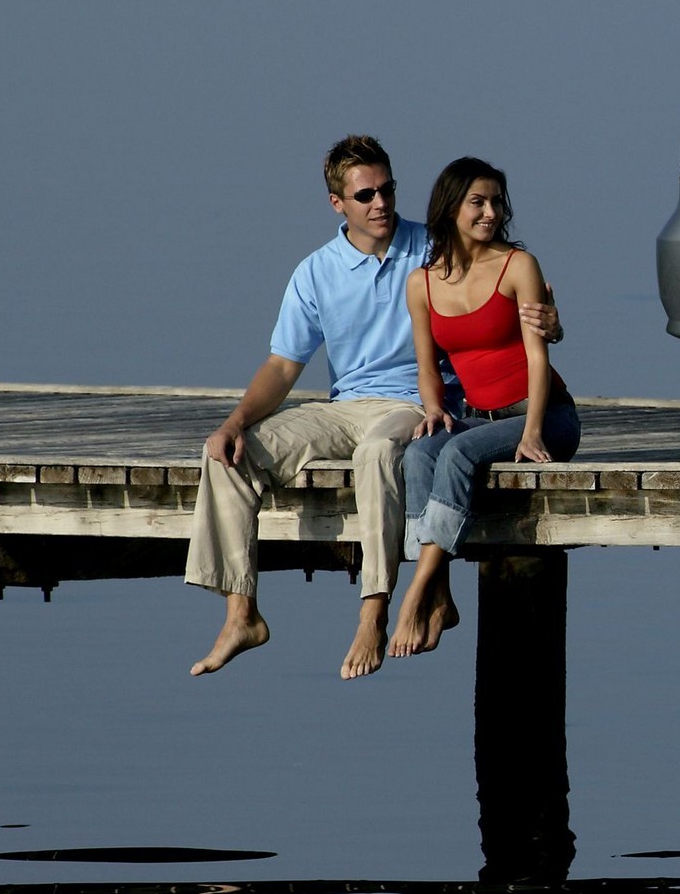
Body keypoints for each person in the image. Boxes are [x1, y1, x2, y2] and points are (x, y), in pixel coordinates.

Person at [187, 136, 559, 680]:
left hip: (417, 404)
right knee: (226, 454)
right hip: (345, 405)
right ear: (338, 203)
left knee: (379, 450)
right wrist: (235, 422)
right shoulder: (315, 272)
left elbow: (502, 286)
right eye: (366, 195)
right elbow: (284, 367)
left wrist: (554, 322)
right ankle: (241, 614)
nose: (380, 203)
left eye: (387, 190)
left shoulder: (432, 246)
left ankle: (374, 608)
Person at [391, 158, 579, 659]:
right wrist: (432, 408)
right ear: (451, 207)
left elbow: (539, 359)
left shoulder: (519, 266)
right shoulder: (422, 283)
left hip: (548, 416)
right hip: (482, 416)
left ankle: (413, 593)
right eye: (478, 202)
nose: (491, 212)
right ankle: (441, 596)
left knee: (457, 456)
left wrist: (533, 430)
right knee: (419, 453)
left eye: (497, 201)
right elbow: (427, 365)